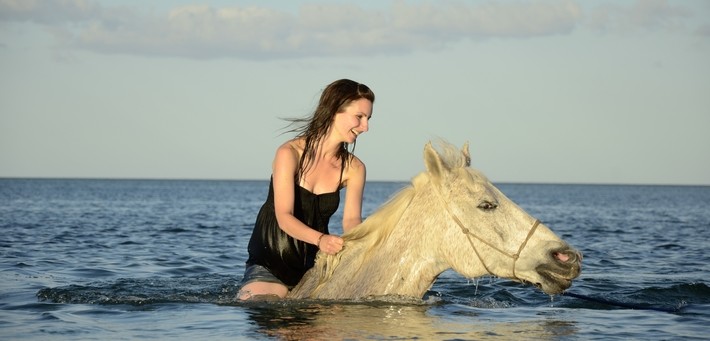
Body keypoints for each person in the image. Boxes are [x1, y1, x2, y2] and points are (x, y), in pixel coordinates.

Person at [237, 79, 375, 300]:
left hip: (314, 268)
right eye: (359, 117)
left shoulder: (355, 168)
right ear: (333, 110)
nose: (366, 127)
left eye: (368, 119)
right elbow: (284, 216)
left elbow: (351, 222)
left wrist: (368, 245)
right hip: (270, 264)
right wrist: (321, 240)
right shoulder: (289, 153)